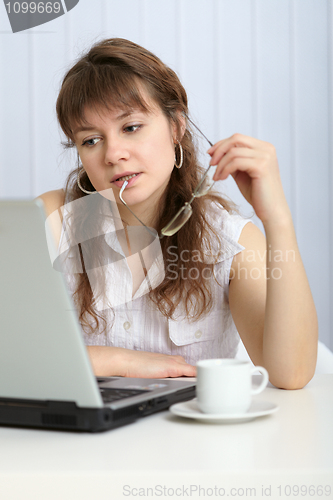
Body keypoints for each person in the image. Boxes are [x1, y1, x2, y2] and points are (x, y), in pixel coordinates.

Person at [37, 38, 318, 389]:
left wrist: (277, 218)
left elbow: (289, 373)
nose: (113, 154)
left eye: (131, 127)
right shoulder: (54, 219)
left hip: (192, 442)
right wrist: (120, 362)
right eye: (91, 140)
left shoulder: (230, 241)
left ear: (176, 127)